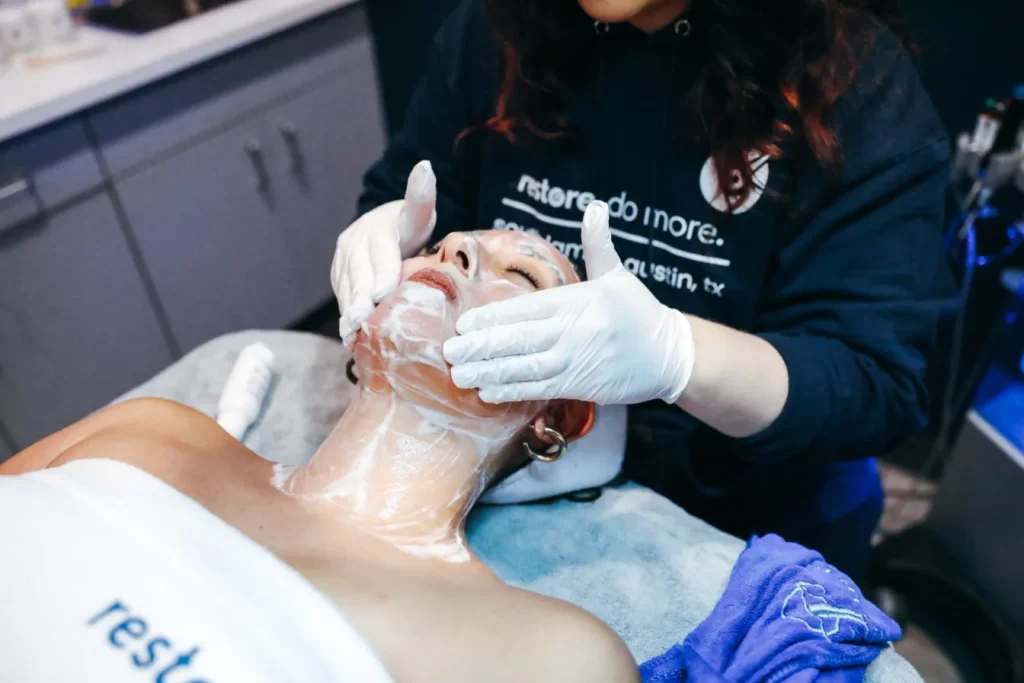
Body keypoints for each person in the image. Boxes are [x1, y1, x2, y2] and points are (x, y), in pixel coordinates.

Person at [331, 0, 950, 580]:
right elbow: (414, 187)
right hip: (506, 484)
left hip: (746, 528)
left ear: (568, 421)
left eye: (523, 275)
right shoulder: (498, 28)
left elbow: (873, 381)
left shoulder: (858, 87)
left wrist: (679, 355)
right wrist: (393, 237)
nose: (457, 252)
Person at [0, 220, 639, 683]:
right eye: (440, 247)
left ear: (555, 417)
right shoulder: (150, 428)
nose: (457, 249)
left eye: (522, 275)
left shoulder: (547, 654)